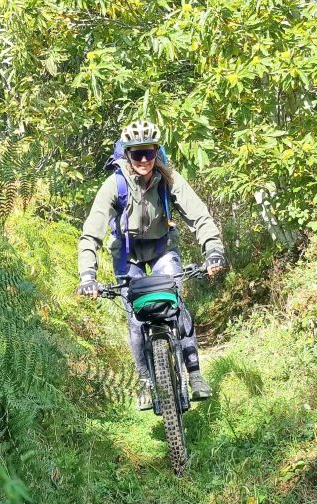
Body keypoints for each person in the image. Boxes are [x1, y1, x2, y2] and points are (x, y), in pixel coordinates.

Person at [78, 120, 226, 409]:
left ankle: (194, 374)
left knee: (176, 305)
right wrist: (88, 274)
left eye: (149, 153)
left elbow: (200, 216)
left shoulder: (169, 179)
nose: (144, 160)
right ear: (127, 155)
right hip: (127, 253)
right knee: (135, 318)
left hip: (162, 248)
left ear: (157, 152)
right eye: (137, 154)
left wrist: (213, 250)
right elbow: (92, 230)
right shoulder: (115, 185)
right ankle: (145, 381)